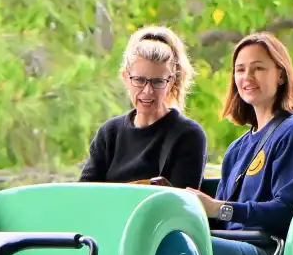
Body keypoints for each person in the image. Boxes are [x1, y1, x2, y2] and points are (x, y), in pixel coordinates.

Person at [188, 32, 293, 255]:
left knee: (177, 251)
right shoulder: (236, 149)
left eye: (258, 68)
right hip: (233, 250)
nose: (247, 78)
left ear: (281, 75)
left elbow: (287, 211)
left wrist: (220, 209)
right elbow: (223, 225)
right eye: (240, 70)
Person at [79, 26, 207, 189]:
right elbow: (83, 194)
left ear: (172, 82)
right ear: (126, 78)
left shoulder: (187, 135)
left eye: (157, 82)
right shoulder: (110, 133)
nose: (148, 91)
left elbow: (180, 205)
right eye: (139, 80)